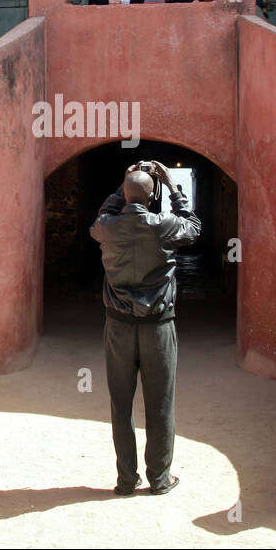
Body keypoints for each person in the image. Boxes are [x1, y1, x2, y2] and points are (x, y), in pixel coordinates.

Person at [90, 161, 200, 496]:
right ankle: (159, 478)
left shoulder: (107, 227)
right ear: (153, 198)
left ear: (123, 195)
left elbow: (100, 218)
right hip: (158, 327)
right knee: (161, 403)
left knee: (120, 404)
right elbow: (193, 227)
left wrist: (123, 184)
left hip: (119, 328)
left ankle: (126, 479)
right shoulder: (164, 226)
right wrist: (171, 185)